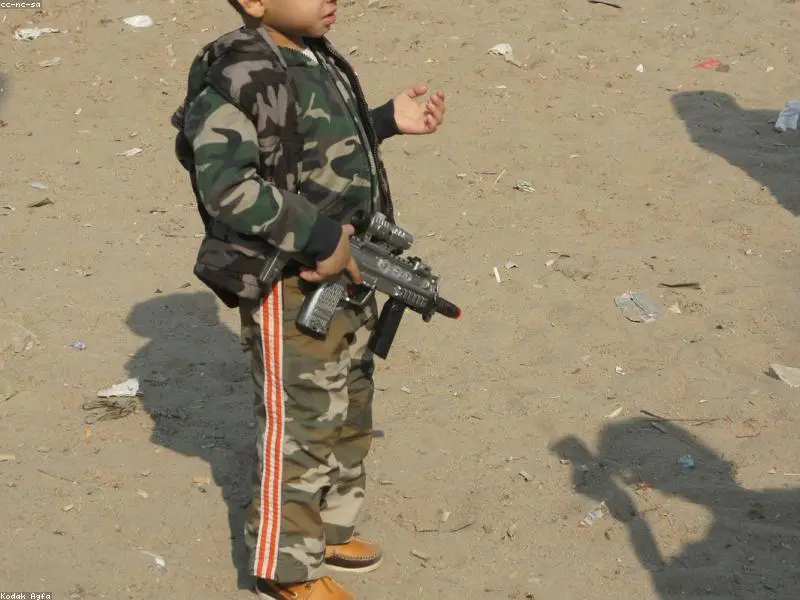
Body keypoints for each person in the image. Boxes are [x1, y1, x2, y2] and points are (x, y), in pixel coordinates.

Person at [170, 0, 447, 598]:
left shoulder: (315, 56)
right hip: (289, 279)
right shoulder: (236, 74)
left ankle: (328, 530)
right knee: (299, 424)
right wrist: (319, 237)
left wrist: (384, 121)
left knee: (347, 408)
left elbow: (308, 148)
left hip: (351, 269)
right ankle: (287, 569)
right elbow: (228, 187)